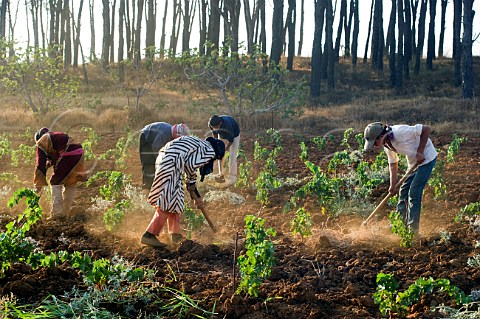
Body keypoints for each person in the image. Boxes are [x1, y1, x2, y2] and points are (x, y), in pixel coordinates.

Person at [140, 135, 225, 247]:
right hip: (172, 163)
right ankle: (149, 235)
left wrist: (194, 191)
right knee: (168, 201)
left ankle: (175, 235)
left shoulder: (201, 144)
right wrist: (192, 184)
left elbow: (189, 164)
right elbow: (191, 165)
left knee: (176, 199)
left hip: (165, 159)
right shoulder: (210, 150)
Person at [363, 122, 437, 235]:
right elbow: (393, 164)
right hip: (413, 163)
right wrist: (392, 186)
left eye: (375, 142)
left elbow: (426, 129)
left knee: (414, 192)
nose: (374, 145)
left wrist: (420, 152)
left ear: (381, 136)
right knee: (403, 191)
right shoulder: (387, 145)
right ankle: (399, 224)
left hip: (426, 158)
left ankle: (413, 231)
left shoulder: (400, 132)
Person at [33, 127, 88, 220]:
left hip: (69, 155)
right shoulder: (55, 137)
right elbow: (55, 158)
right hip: (79, 155)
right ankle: (65, 213)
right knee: (71, 182)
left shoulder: (42, 141)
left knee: (55, 182)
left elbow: (40, 164)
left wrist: (38, 184)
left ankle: (57, 214)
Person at [139, 122, 190, 189]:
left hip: (155, 139)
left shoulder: (172, 135)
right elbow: (156, 148)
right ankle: (147, 187)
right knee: (149, 164)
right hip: (146, 138)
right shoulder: (165, 134)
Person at [208, 114, 240, 186]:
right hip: (222, 134)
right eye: (214, 127)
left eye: (216, 127)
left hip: (234, 135)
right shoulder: (211, 124)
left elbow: (231, 140)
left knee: (232, 155)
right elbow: (214, 133)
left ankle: (232, 176)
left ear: (220, 123)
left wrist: (226, 148)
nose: (215, 128)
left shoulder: (227, 125)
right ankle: (220, 174)